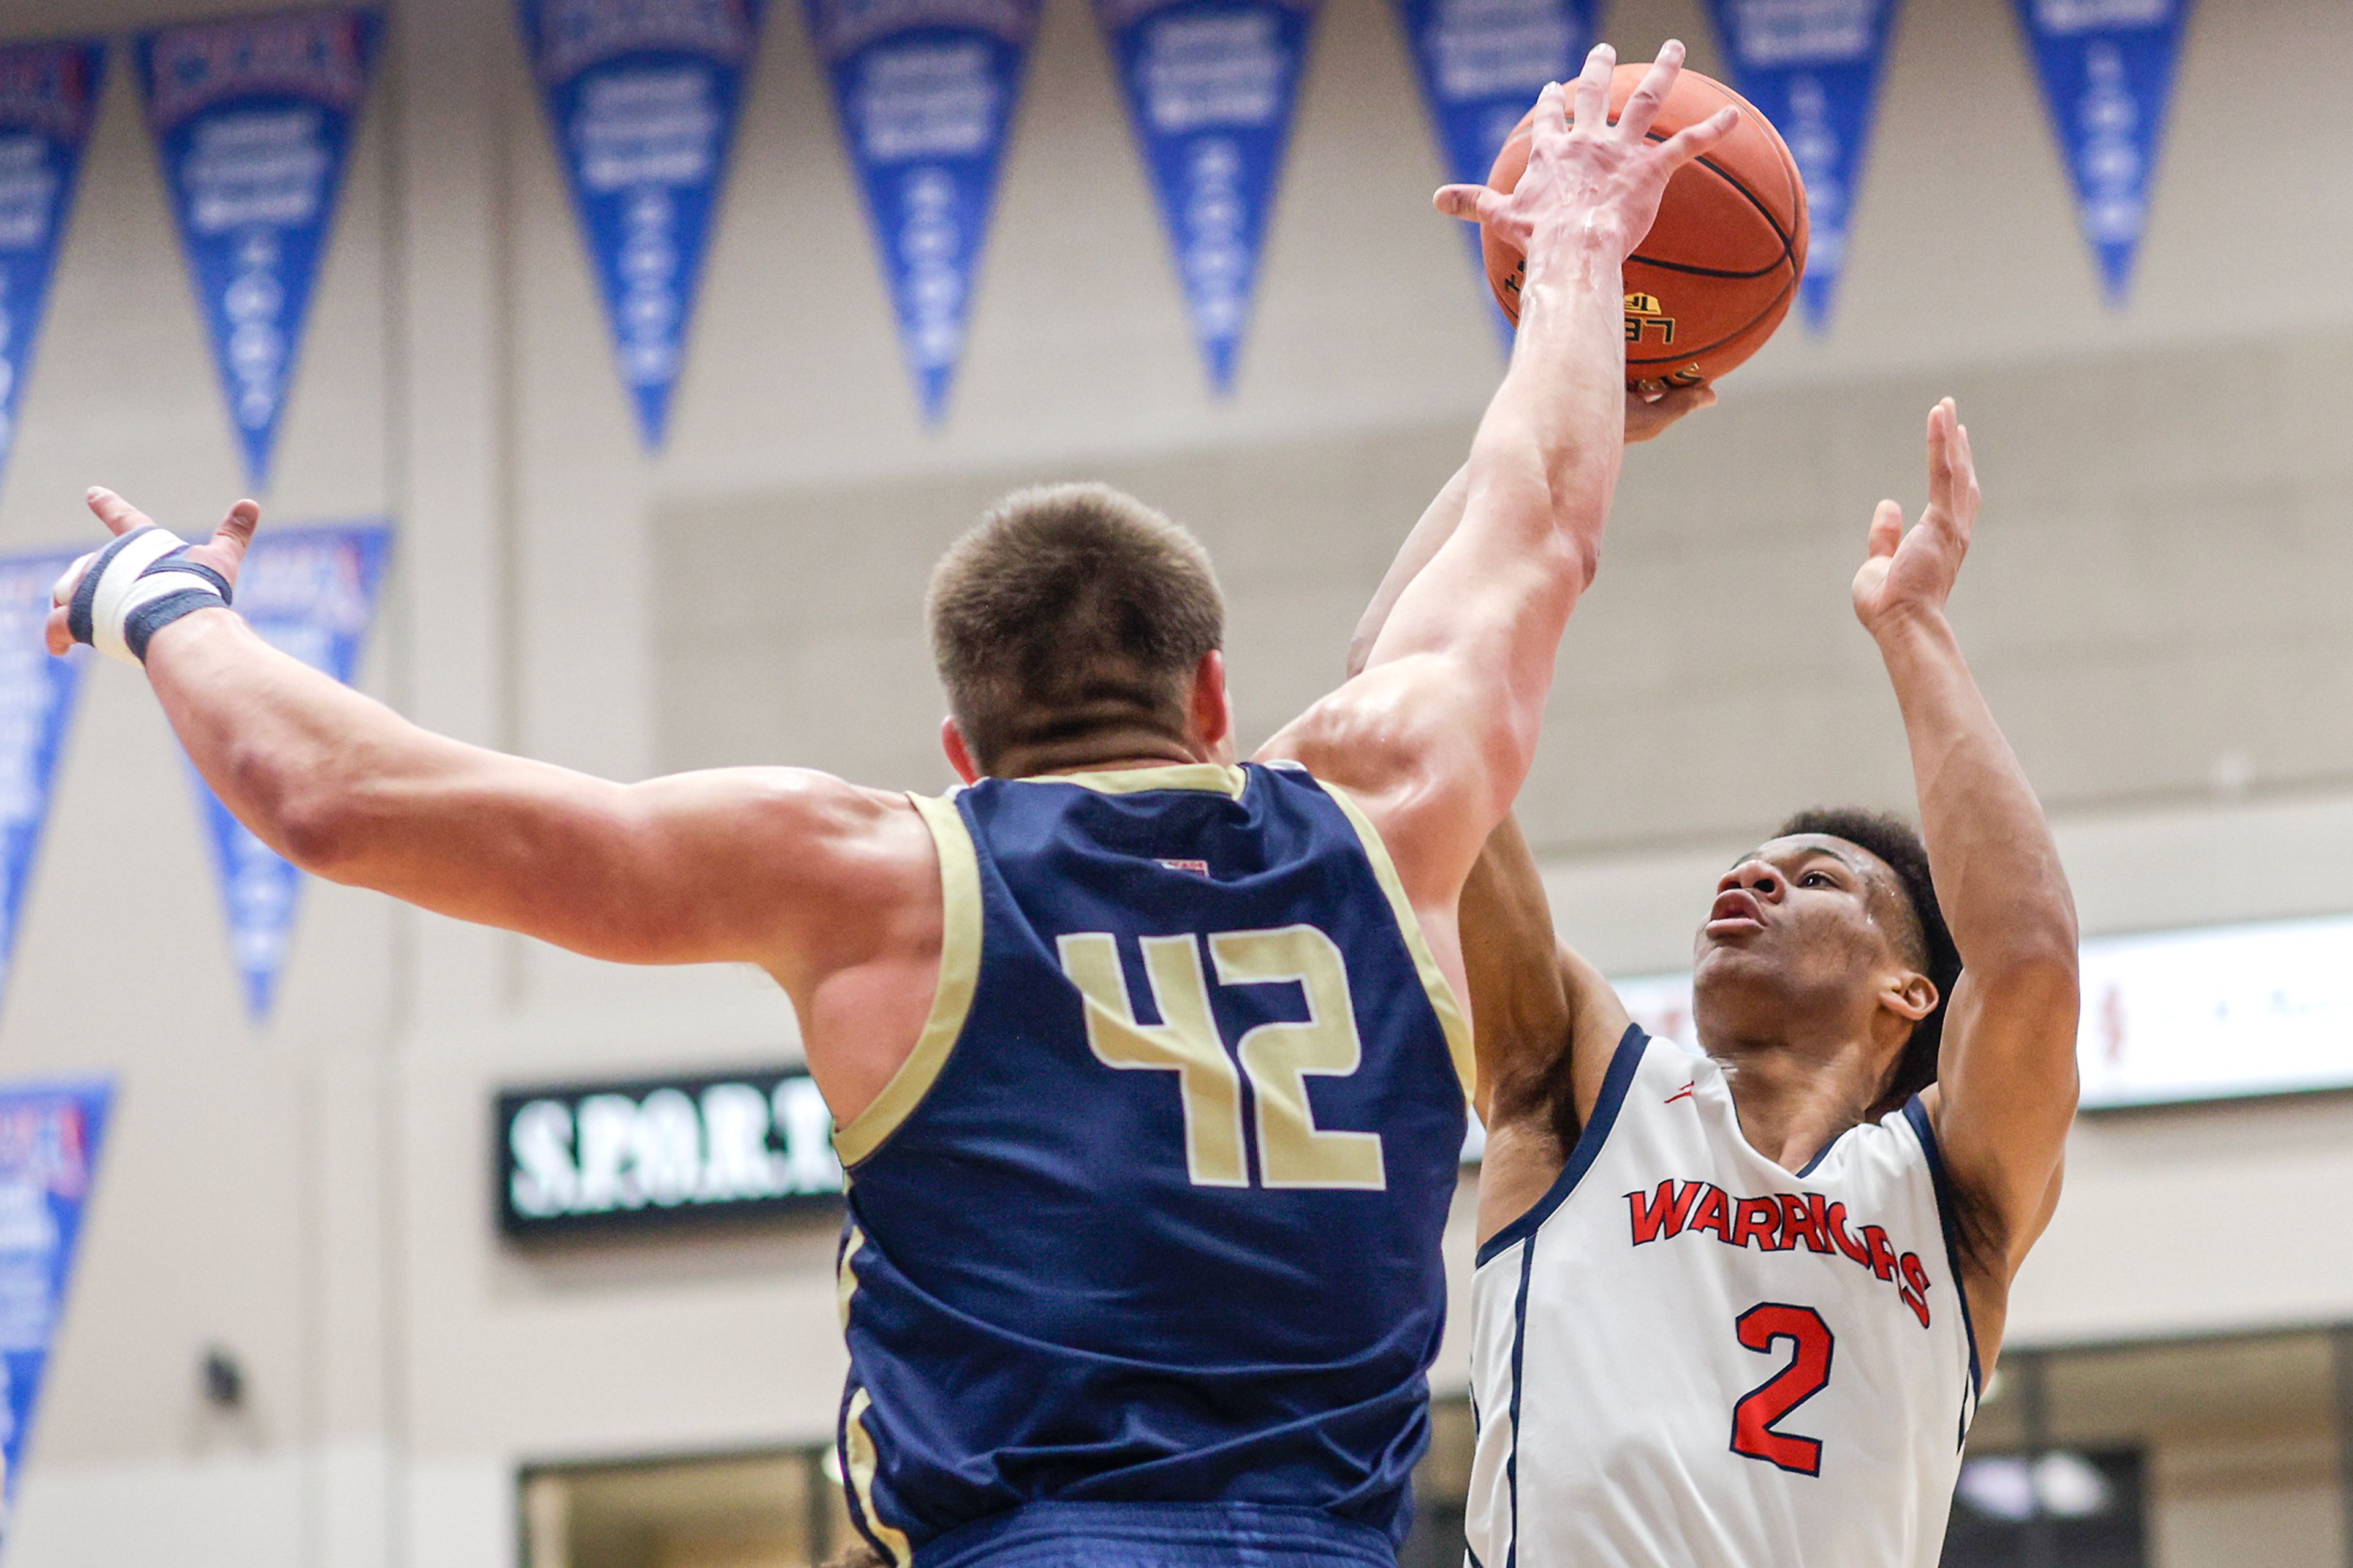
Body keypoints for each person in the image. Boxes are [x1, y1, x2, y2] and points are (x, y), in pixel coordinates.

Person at [48, 43, 1732, 1568]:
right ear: (1216, 700)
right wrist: (1583, 262)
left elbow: (333, 799)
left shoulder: (877, 874)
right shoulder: (1385, 805)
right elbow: (1538, 527)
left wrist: (162, 599)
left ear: (961, 745)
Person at [1347, 400, 2080, 1566]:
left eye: (1816, 879)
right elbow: (1400, 698)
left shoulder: (1951, 1197)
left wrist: (1913, 627)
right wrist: (1564, 417)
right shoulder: (1585, 1084)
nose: (1755, 881)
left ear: (1910, 992)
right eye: (1746, 871)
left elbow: (2031, 958)